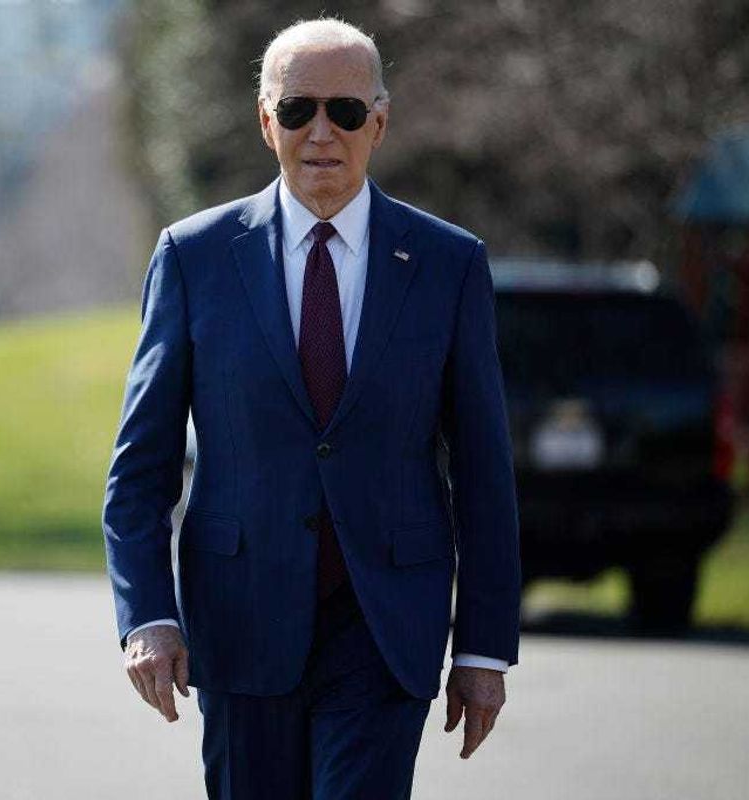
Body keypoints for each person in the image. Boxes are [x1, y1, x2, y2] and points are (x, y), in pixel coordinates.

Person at [102, 17, 521, 799]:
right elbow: (141, 470)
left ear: (380, 123)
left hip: (385, 627)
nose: (320, 132)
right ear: (267, 122)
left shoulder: (448, 265)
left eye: (346, 111)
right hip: (240, 623)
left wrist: (484, 649)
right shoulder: (193, 258)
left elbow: (483, 470)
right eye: (297, 110)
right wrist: (147, 615)